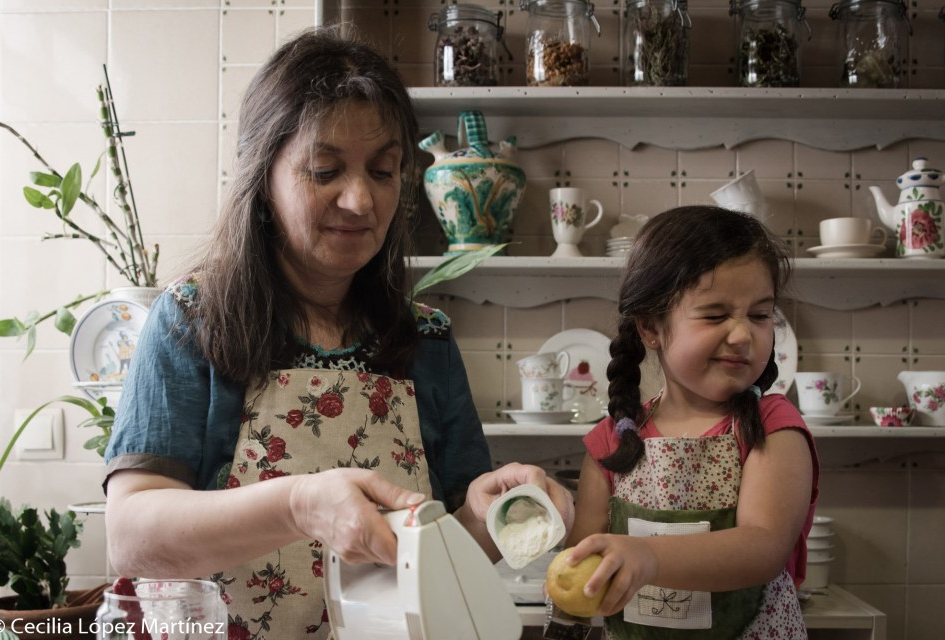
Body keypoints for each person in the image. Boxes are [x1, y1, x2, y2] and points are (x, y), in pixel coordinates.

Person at [103, 26, 573, 639]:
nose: (361, 200)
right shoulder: (193, 320)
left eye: (383, 171)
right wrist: (299, 506)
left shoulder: (425, 340)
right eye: (325, 170)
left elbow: (446, 554)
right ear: (262, 178)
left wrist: (493, 516)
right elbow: (131, 538)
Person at [563, 206, 819, 639]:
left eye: (760, 315)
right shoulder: (612, 442)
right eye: (715, 315)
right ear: (651, 328)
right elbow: (582, 565)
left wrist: (648, 556)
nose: (743, 335)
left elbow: (764, 546)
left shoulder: (773, 427)